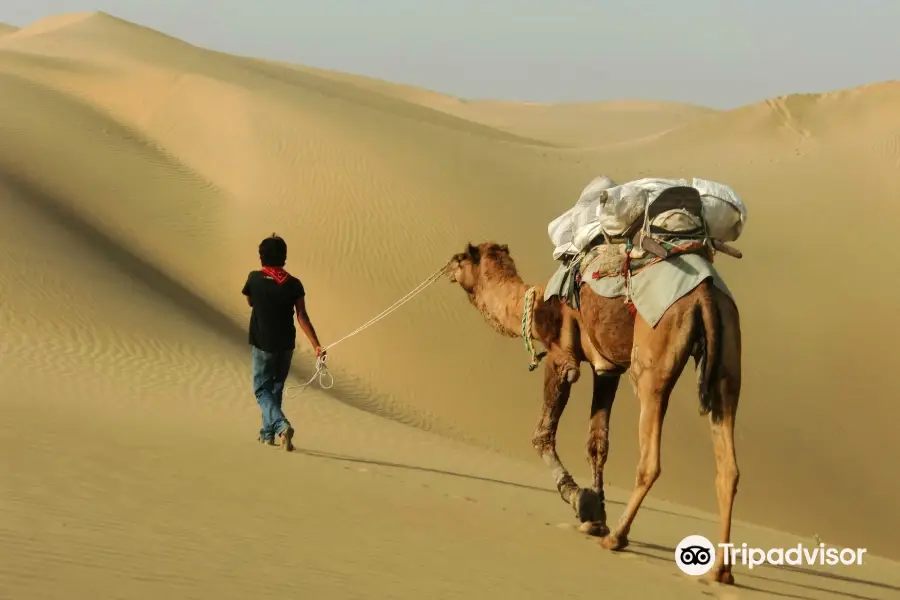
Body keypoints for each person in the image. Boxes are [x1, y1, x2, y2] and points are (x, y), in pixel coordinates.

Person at [241, 233, 324, 451]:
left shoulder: (253, 278)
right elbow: (302, 316)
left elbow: (250, 301)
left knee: (261, 390)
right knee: (275, 388)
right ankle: (267, 434)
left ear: (262, 256)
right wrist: (316, 344)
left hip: (263, 344)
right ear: (284, 256)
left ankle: (279, 425)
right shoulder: (294, 284)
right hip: (286, 345)